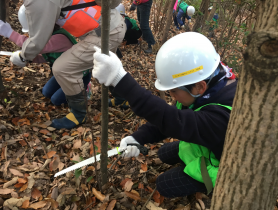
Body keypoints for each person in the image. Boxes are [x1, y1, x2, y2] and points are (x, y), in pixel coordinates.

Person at [92, 32, 237, 198]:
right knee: (164, 153)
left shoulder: (224, 116)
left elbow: (175, 121)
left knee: (164, 185)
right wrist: (138, 138)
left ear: (200, 87)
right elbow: (173, 118)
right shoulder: (212, 84)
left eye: (174, 91)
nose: (172, 96)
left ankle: (210, 187)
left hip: (224, 168)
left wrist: (120, 80)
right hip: (209, 145)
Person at [8, 0, 126, 130]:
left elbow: (38, 39)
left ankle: (78, 114)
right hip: (110, 25)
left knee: (62, 68)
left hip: (105, 31)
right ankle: (123, 97)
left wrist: (23, 56)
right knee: (107, 66)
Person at [0, 5, 92, 106]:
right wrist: (29, 59)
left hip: (78, 75)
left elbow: (34, 46)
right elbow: (47, 56)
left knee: (56, 100)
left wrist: (9, 33)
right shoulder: (48, 37)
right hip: (63, 74)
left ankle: (84, 89)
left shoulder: (58, 38)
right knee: (46, 92)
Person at [109, 3, 143, 109]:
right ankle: (120, 97)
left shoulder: (125, 22)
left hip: (135, 33)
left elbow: (122, 33)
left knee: (111, 72)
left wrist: (124, 42)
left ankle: (123, 98)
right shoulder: (114, 20)